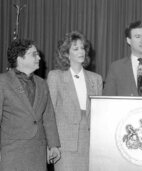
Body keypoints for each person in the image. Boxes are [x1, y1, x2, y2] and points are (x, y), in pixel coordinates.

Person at [0, 39, 61, 171]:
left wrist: (53, 145)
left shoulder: (42, 84)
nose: (39, 57)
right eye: (34, 54)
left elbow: (48, 116)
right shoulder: (3, 82)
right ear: (20, 59)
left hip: (37, 152)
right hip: (11, 153)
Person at [47, 31, 103, 171]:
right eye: (76, 48)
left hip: (90, 144)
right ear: (66, 54)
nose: (81, 51)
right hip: (64, 145)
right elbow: (49, 114)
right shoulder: (55, 77)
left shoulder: (96, 79)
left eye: (83, 48)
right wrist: (51, 145)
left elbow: (99, 115)